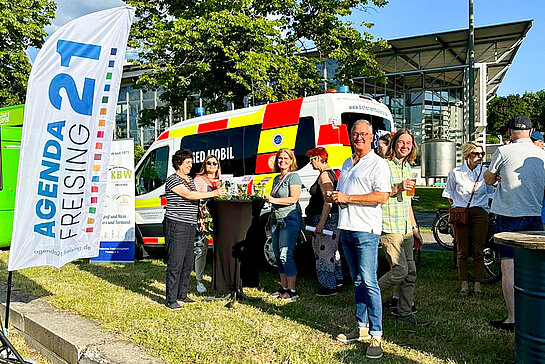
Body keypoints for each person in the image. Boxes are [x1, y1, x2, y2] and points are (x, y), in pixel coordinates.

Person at [330, 120, 390, 359]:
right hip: (347, 229)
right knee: (356, 280)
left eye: (364, 134)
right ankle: (361, 327)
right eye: (356, 134)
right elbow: (346, 195)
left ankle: (377, 334)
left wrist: (347, 197)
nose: (360, 138)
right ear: (350, 136)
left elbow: (382, 196)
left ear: (372, 137)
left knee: (369, 281)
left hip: (366, 230)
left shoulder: (378, 164)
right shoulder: (347, 162)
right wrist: (336, 197)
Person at [483, 115, 545, 331]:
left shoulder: (504, 151)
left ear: (510, 132)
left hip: (508, 215)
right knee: (532, 267)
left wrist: (496, 176)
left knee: (508, 265)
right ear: (530, 132)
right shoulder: (541, 154)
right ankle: (534, 312)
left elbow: (488, 179)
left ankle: (512, 317)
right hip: (534, 214)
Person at [164, 149, 226, 310]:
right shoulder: (173, 180)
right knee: (176, 261)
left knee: (187, 261)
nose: (191, 165)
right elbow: (190, 196)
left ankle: (182, 294)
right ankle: (171, 299)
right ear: (179, 164)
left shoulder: (189, 179)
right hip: (176, 224)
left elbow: (196, 196)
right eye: (188, 163)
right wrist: (214, 193)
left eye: (191, 162)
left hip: (190, 224)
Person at [378, 129, 427, 326]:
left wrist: (415, 229)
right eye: (401, 142)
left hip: (405, 227)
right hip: (389, 226)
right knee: (399, 270)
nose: (405, 146)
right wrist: (397, 187)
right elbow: (377, 194)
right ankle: (366, 295)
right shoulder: (383, 166)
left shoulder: (407, 168)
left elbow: (408, 204)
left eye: (409, 143)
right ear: (394, 144)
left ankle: (405, 313)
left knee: (411, 272)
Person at [443, 141, 493, 295]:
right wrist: (455, 205)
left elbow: (490, 193)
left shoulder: (485, 172)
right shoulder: (456, 172)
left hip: (480, 212)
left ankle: (477, 284)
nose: (479, 157)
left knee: (479, 250)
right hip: (461, 213)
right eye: (475, 154)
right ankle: (464, 284)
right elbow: (448, 192)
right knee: (462, 250)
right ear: (467, 155)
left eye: (481, 154)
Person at [305, 147, 343, 297]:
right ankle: (337, 279)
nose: (311, 164)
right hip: (331, 220)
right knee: (334, 251)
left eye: (311, 160)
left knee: (324, 252)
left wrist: (321, 222)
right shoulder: (331, 173)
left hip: (326, 221)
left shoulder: (324, 176)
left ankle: (329, 285)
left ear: (318, 159)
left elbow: (328, 201)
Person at [266, 148, 303, 301]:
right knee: (276, 254)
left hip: (290, 218)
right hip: (276, 219)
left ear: (291, 160)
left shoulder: (293, 177)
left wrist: (273, 200)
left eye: (286, 158)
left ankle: (293, 291)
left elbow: (293, 199)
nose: (282, 161)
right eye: (280, 158)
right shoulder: (276, 178)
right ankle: (284, 287)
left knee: (285, 255)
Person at [193, 155, 222, 294]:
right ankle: (199, 281)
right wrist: (199, 219)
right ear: (205, 165)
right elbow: (195, 198)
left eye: (214, 163)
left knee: (219, 249)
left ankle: (218, 279)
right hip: (203, 219)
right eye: (208, 163)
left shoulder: (220, 181)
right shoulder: (198, 179)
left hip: (219, 218)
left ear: (218, 166)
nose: (211, 165)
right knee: (201, 250)